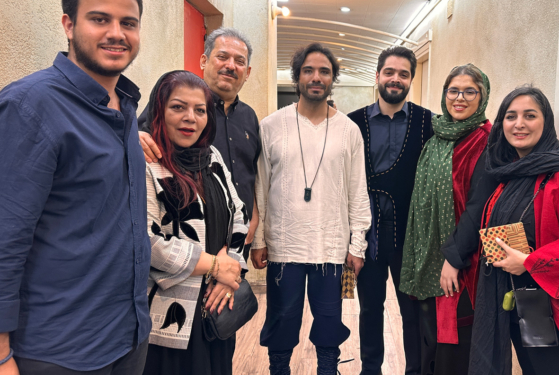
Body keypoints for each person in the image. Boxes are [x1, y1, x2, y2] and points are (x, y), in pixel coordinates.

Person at [0, 0, 150, 374]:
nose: (117, 33)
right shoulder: (31, 105)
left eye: (128, 23)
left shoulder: (125, 106)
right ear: (69, 25)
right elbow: (5, 237)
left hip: (127, 336)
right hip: (59, 351)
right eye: (100, 19)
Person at [468, 86, 559, 375]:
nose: (519, 124)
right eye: (511, 116)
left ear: (545, 122)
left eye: (529, 115)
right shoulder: (509, 172)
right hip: (511, 297)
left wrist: (530, 263)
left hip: (549, 305)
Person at [252, 43, 371, 375]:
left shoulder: (349, 131)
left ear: (333, 78)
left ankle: (327, 369)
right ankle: (279, 369)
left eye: (324, 71)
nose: (316, 77)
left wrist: (356, 244)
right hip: (283, 246)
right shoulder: (272, 125)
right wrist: (259, 239)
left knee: (330, 321)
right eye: (308, 70)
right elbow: (260, 185)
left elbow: (357, 191)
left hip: (330, 247)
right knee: (281, 318)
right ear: (297, 76)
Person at [140, 70, 249, 375]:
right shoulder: (147, 162)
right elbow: (146, 242)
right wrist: (216, 266)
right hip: (170, 312)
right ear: (159, 110)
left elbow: (238, 214)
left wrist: (231, 268)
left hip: (218, 303)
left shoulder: (211, 156)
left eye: (200, 110)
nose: (190, 117)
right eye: (178, 107)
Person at [399, 64, 496, 375]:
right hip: (429, 258)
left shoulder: (488, 142)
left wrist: (453, 258)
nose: (460, 98)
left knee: (457, 344)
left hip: (465, 261)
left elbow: (479, 207)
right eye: (453, 90)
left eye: (470, 91)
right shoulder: (437, 136)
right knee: (430, 338)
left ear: (482, 97)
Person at [139, 27, 261, 262]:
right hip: (184, 241)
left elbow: (250, 171)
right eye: (222, 56)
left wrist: (252, 216)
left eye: (239, 61)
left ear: (247, 72)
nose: (230, 66)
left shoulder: (249, 117)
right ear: (204, 61)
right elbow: (141, 137)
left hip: (236, 237)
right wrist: (130, 137)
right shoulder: (178, 106)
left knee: (228, 294)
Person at [346, 46, 433, 375]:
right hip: (366, 236)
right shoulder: (351, 123)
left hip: (411, 235)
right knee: (370, 309)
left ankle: (416, 370)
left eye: (404, 74)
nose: (396, 79)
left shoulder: (429, 123)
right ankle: (371, 370)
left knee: (413, 310)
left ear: (411, 78)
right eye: (390, 72)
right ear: (378, 75)